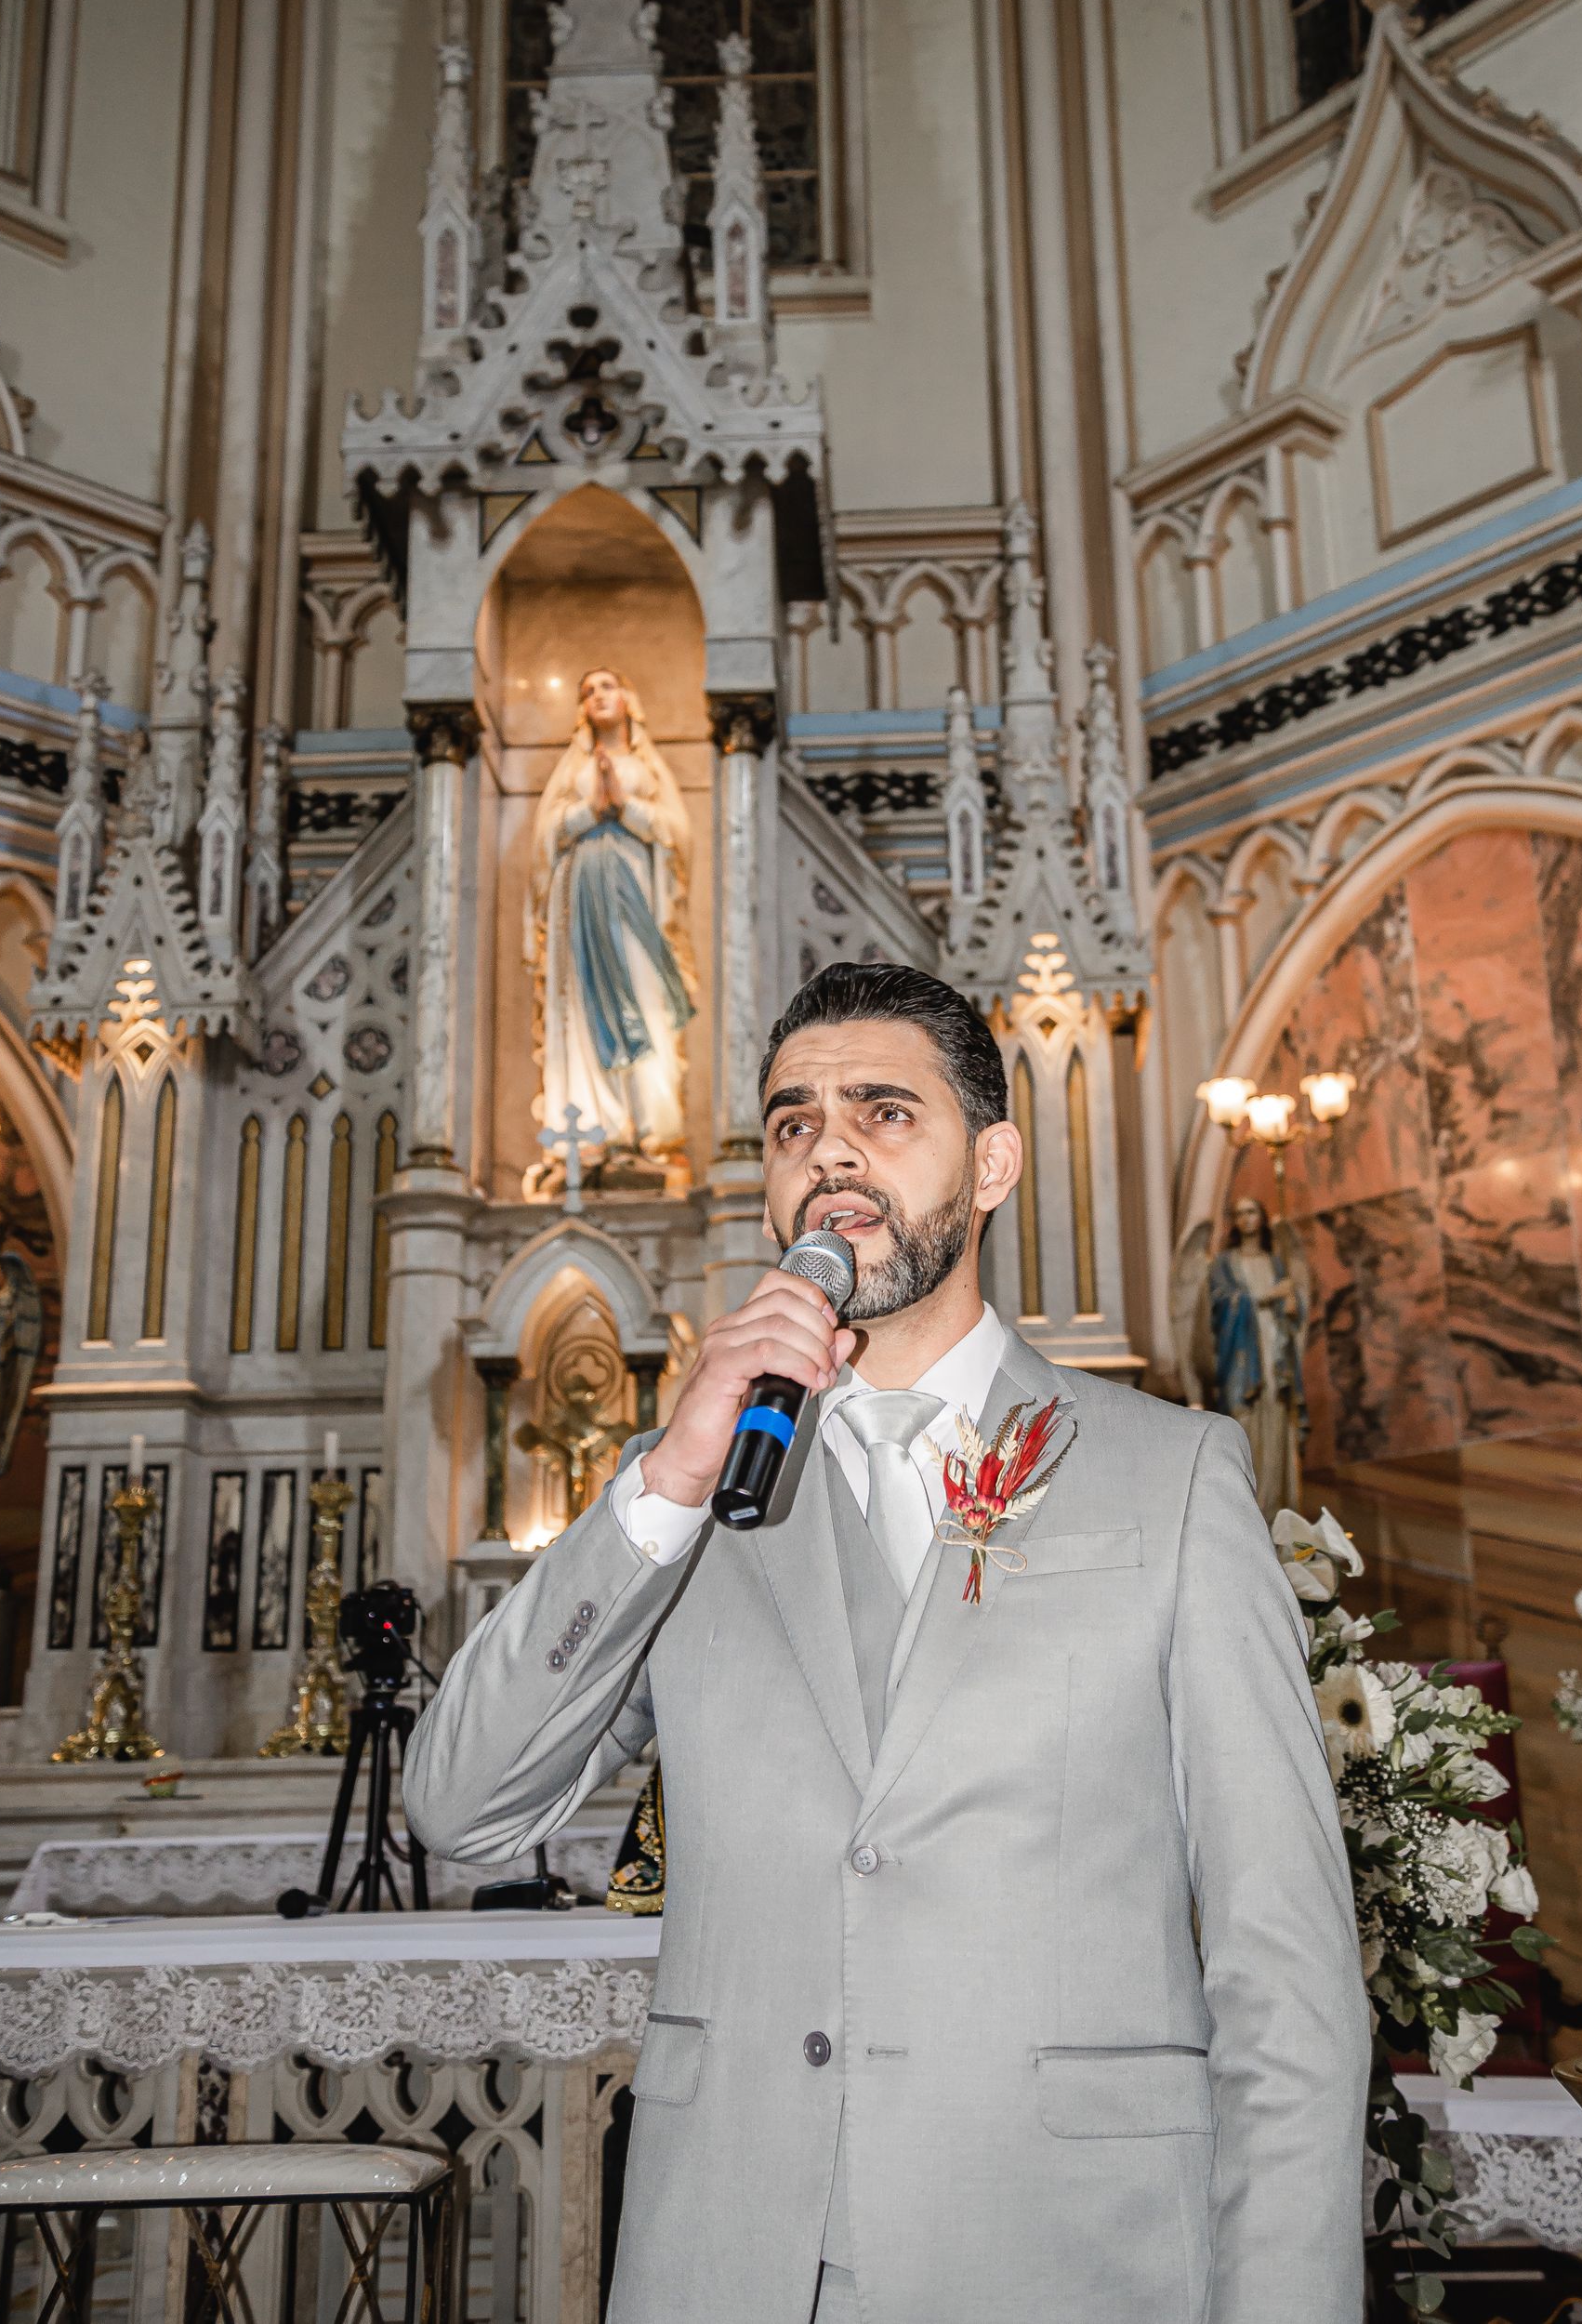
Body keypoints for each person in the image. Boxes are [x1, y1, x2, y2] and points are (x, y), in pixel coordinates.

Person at [405, 963, 1367, 2324]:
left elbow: (1287, 1974)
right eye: (793, 1123)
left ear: (992, 1163)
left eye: (883, 1112)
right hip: (729, 2261)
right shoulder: (693, 1493)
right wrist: (665, 1481)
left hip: (1075, 2258)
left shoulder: (1177, 1477)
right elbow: (461, 1808)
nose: (829, 1149)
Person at [525, 667, 697, 1180]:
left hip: (637, 908)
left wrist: (625, 808)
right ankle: (594, 1134)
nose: (597, 696)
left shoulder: (647, 767)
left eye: (607, 686)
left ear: (628, 698)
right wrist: (587, 812)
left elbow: (677, 835)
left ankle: (651, 1134)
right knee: (582, 1013)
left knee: (648, 1005)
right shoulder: (572, 769)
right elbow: (543, 838)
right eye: (587, 691)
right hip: (579, 909)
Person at [1208, 1194, 1308, 1520]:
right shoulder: (1225, 1262)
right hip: (1242, 1355)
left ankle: (1278, 1507)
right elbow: (1221, 1305)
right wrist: (1266, 1296)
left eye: (1252, 1212)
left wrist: (1290, 1304)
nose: (1246, 1219)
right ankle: (1251, 1510)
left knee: (1277, 1419)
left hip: (1274, 1351)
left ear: (1262, 1218)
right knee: (1246, 1422)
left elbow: (1291, 1313)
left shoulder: (1273, 1261)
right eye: (1239, 1213)